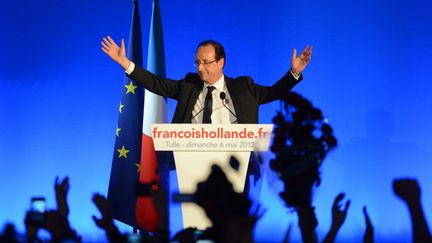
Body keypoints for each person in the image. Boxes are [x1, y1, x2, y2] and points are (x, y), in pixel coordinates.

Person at [101, 36, 312, 124]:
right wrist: (125, 63)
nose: (200, 68)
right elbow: (156, 83)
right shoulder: (189, 86)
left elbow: (274, 92)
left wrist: (293, 72)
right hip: (193, 161)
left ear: (221, 62)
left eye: (205, 62)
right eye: (197, 63)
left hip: (236, 164)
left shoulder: (243, 87)